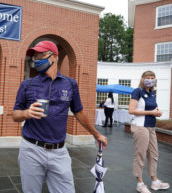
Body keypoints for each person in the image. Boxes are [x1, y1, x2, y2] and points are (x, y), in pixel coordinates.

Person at [12, 40, 108, 193]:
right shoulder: (27, 84)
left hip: (59, 152)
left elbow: (79, 111)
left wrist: (96, 134)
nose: (37, 60)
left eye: (41, 55)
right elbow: (15, 115)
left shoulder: (70, 84)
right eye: (35, 57)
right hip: (31, 150)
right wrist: (26, 113)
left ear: (54, 56)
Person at [128, 70, 170, 193]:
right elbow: (131, 110)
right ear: (142, 79)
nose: (150, 80)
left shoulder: (152, 93)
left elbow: (150, 108)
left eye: (152, 78)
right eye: (148, 77)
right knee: (140, 155)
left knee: (154, 154)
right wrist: (151, 112)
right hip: (141, 127)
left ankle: (155, 181)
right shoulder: (138, 91)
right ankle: (140, 184)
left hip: (151, 127)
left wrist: (156, 111)